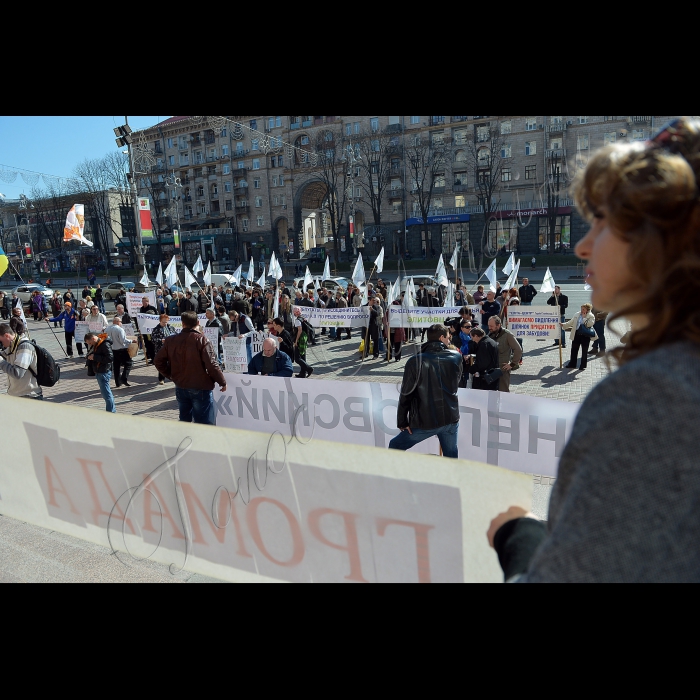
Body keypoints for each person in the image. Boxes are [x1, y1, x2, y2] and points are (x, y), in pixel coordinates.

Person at [487, 116, 700, 582]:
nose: (583, 246)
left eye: (602, 221)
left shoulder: (652, 396)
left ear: (661, 235)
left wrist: (517, 538)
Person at [389, 324, 462, 458]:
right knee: (451, 457)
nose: (449, 341)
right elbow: (456, 383)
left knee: (395, 446)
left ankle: (395, 476)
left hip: (426, 419)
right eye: (448, 338)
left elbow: (406, 393)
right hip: (450, 417)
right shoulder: (456, 357)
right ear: (441, 338)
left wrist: (402, 421)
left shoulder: (415, 361)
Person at [154, 310, 227, 425]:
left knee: (185, 421)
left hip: (182, 385)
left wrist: (172, 375)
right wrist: (222, 382)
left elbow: (158, 361)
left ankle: (187, 439)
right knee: (203, 422)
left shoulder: (172, 340)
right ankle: (200, 441)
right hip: (199, 387)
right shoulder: (202, 340)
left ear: (182, 324)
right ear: (198, 322)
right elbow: (212, 365)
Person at [0, 322, 43, 399]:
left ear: (6, 335)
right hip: (17, 395)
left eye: (1, 341)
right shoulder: (12, 346)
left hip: (29, 396)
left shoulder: (25, 347)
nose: (1, 344)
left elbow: (17, 373)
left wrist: (1, 361)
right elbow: (3, 356)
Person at [487, 316, 522, 392]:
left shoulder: (507, 335)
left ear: (498, 325)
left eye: (491, 326)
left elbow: (518, 350)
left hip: (502, 370)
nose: (489, 328)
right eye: (488, 326)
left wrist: (512, 364)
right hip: (491, 369)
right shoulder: (490, 334)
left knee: (503, 392)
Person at [84, 331, 116, 413]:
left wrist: (95, 357)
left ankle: (111, 411)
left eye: (90, 342)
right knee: (105, 393)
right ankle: (111, 410)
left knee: (107, 394)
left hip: (103, 371)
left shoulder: (104, 344)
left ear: (93, 338)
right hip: (100, 370)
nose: (90, 344)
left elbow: (110, 358)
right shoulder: (98, 343)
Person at [561, 303, 597, 370]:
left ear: (587, 309)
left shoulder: (591, 316)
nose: (581, 310)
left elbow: (589, 324)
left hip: (585, 335)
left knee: (584, 351)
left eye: (583, 309)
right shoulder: (577, 314)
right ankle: (572, 364)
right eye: (581, 308)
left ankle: (582, 365)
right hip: (577, 334)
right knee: (574, 350)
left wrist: (584, 318)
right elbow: (571, 322)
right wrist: (564, 325)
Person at [465, 326, 500, 390]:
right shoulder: (491, 341)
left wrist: (471, 369)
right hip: (493, 375)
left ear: (476, 336)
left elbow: (483, 363)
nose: (472, 340)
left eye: (472, 337)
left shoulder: (483, 344)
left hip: (486, 379)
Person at [107, 316, 135, 388]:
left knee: (116, 366)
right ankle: (123, 378)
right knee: (129, 363)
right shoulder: (120, 329)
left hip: (113, 350)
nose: (121, 323)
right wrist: (131, 341)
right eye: (120, 322)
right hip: (121, 350)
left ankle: (117, 382)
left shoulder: (107, 329)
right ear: (117, 322)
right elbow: (123, 341)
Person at [151, 313, 177, 385]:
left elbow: (176, 335)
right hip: (161, 349)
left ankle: (172, 376)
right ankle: (161, 378)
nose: (165, 323)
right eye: (163, 322)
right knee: (162, 363)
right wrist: (161, 340)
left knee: (172, 363)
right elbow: (153, 339)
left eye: (166, 322)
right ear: (160, 321)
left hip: (171, 349)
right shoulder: (156, 329)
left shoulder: (171, 327)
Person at [291, 307, 314, 378]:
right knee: (303, 356)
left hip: (300, 340)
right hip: (304, 339)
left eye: (295, 312)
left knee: (297, 358)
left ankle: (309, 369)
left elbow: (299, 330)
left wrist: (296, 341)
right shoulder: (303, 318)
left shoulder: (298, 320)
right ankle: (302, 373)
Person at [137, 296, 158, 364]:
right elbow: (140, 320)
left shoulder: (152, 308)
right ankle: (152, 358)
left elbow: (157, 318)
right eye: (142, 302)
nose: (143, 303)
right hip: (145, 330)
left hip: (152, 330)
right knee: (147, 345)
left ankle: (156, 358)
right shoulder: (141, 309)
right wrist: (139, 327)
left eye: (145, 301)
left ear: (148, 302)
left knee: (153, 345)